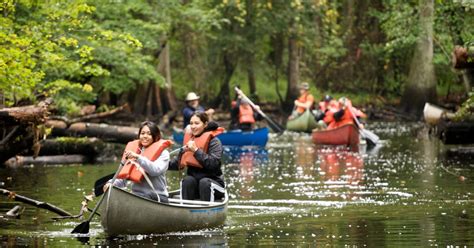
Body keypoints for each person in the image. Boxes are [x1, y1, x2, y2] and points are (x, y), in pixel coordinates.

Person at [103, 121, 171, 203]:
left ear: (155, 136)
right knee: (115, 191)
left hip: (158, 197)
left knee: (140, 197)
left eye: (149, 134)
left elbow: (155, 171)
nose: (145, 136)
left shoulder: (164, 153)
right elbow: (123, 178)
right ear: (139, 135)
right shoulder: (134, 151)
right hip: (137, 196)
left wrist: (138, 157)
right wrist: (111, 183)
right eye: (142, 133)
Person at [169, 112, 225, 201]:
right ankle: (185, 211)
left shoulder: (214, 142)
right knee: (187, 181)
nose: (193, 126)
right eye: (191, 123)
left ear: (205, 124)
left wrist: (196, 150)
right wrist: (158, 163)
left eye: (197, 123)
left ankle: (206, 212)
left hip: (213, 184)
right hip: (195, 185)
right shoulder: (189, 140)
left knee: (204, 182)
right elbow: (177, 164)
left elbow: (213, 164)